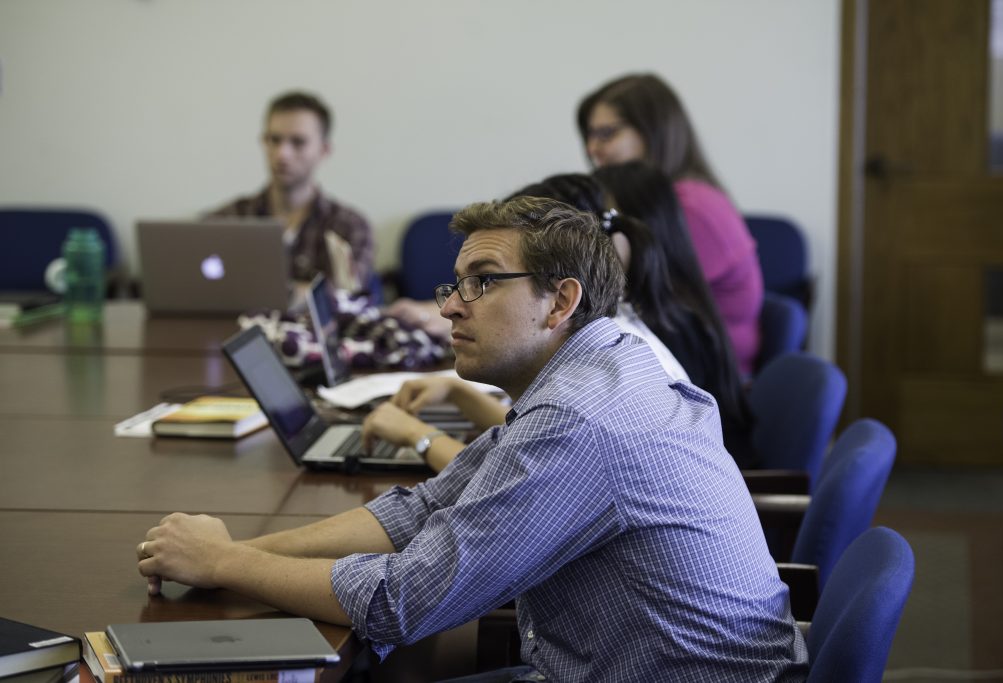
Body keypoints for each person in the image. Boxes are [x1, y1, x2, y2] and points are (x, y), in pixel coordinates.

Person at [136, 197, 807, 682]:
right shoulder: (595, 368)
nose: (450, 305)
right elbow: (422, 508)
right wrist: (233, 548)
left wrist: (226, 567)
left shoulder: (581, 417)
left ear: (559, 300)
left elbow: (407, 601)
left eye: (481, 282)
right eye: (454, 284)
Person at [577, 73, 764, 375]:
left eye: (607, 133)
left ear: (653, 133)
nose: (592, 149)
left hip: (703, 374)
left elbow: (637, 300)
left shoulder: (691, 207)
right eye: (590, 135)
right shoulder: (673, 197)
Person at [593, 162, 756, 466]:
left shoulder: (668, 326)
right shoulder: (662, 304)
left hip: (714, 481)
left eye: (603, 226)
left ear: (642, 227)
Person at [207, 91, 376, 294]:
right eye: (274, 140)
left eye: (298, 142)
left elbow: (346, 300)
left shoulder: (349, 227)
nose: (282, 154)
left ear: (324, 150)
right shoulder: (227, 220)